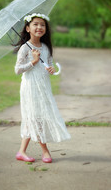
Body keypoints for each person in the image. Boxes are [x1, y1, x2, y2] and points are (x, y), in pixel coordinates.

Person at [14, 13, 71, 163]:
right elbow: (17, 69)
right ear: (28, 28)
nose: (39, 27)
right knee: (36, 117)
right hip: (30, 87)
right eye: (35, 24)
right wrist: (33, 61)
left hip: (44, 87)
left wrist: (50, 69)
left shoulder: (45, 47)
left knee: (34, 117)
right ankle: (45, 151)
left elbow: (49, 64)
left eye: (42, 24)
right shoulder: (25, 49)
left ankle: (21, 152)